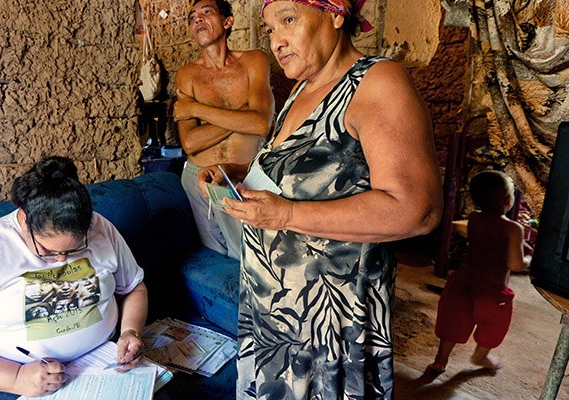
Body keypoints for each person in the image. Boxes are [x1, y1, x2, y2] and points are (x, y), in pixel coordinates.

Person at [197, 0, 442, 398]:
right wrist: (239, 172)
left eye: (288, 20)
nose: (276, 41)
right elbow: (312, 173)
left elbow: (417, 210)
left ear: (336, 13)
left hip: (328, 325)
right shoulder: (302, 90)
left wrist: (285, 215)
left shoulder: (377, 82)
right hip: (274, 318)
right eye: (270, 29)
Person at [0, 156, 148, 398]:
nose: (61, 259)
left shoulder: (101, 228)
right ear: (23, 218)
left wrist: (130, 331)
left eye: (74, 249)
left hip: (104, 364)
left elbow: (134, 288)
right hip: (11, 382)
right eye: (47, 250)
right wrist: (16, 378)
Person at [174, 0, 275, 260]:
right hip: (198, 179)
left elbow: (261, 124)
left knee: (250, 257)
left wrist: (196, 108)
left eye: (206, 12)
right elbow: (190, 143)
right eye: (192, 17)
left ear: (227, 22)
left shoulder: (254, 61)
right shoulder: (187, 75)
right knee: (214, 259)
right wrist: (243, 114)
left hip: (242, 177)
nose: (197, 19)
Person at [427, 170, 532, 374]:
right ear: (508, 199)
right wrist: (529, 259)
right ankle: (481, 356)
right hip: (491, 291)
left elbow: (489, 240)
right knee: (494, 325)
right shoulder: (513, 228)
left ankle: (440, 360)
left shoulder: (474, 218)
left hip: (462, 283)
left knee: (453, 321)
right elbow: (515, 265)